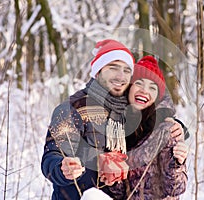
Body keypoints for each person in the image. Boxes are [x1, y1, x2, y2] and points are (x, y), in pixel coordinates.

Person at [41, 39, 136, 199]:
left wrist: (177, 126)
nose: (121, 76)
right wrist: (62, 167)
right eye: (113, 68)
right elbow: (51, 156)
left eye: (127, 70)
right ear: (98, 71)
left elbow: (159, 118)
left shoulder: (132, 109)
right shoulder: (72, 108)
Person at [108, 55, 189, 200]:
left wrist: (177, 163)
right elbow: (117, 192)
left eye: (152, 87)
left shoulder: (166, 130)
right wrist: (113, 176)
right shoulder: (115, 127)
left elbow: (177, 188)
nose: (145, 90)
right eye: (139, 83)